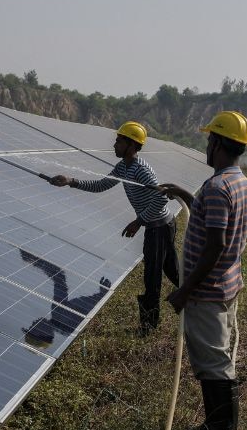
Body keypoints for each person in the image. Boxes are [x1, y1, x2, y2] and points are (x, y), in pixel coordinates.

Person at [159, 110, 247, 430]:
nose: (207, 146)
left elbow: (215, 245)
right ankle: (215, 426)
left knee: (214, 365)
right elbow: (213, 217)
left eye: (210, 139)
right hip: (226, 286)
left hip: (207, 292)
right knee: (219, 358)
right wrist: (183, 193)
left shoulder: (216, 187)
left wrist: (184, 291)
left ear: (219, 144)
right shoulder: (239, 182)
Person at [47, 121, 179, 336]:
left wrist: (139, 221)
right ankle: (198, 297)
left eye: (119, 141)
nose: (114, 145)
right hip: (157, 225)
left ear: (132, 145)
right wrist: (70, 181)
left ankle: (147, 329)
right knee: (172, 271)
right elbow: (101, 185)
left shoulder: (140, 170)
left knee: (152, 277)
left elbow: (162, 197)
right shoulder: (123, 167)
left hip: (160, 227)